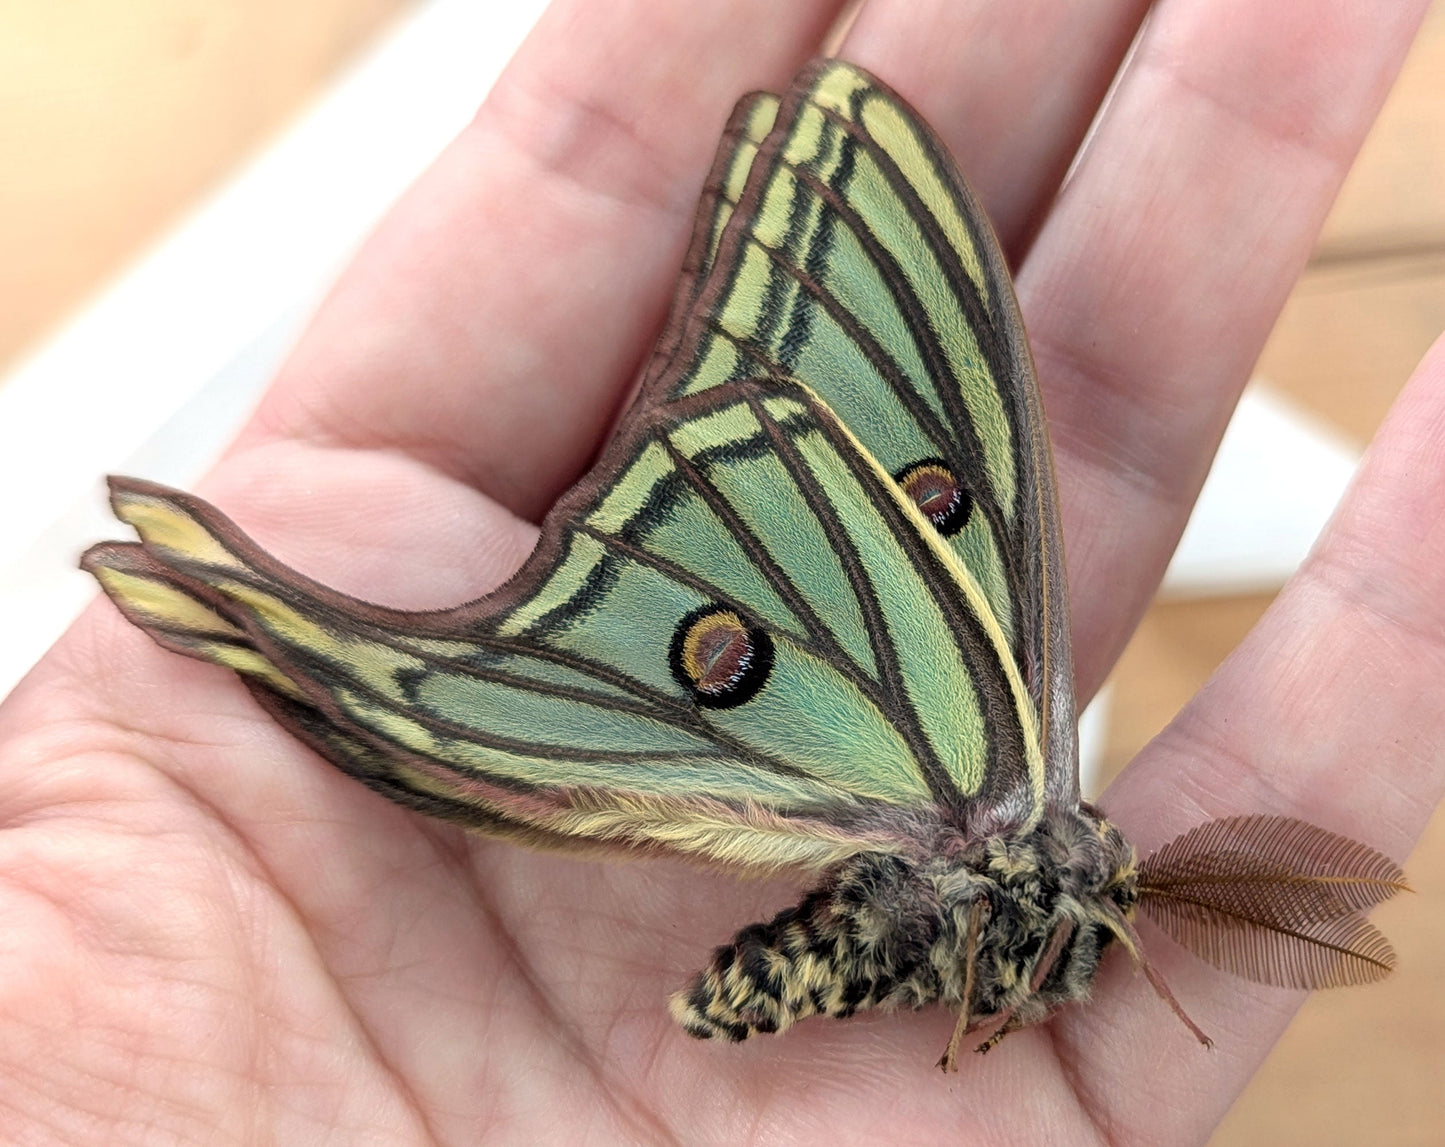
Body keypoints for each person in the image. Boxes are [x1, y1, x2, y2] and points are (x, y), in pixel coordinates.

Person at [0, 2, 1437, 1141]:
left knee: (439, 730)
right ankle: (284, 629)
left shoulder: (1006, 817)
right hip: (760, 721)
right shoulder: (992, 776)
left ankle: (276, 625)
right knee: (443, 731)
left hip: (768, 787)